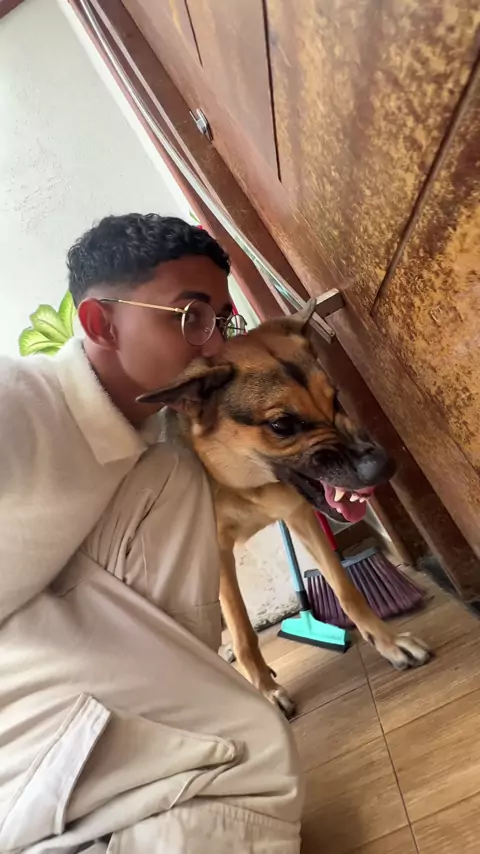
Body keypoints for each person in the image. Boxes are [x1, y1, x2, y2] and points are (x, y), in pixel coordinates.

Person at [0, 215, 303, 853]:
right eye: (190, 317)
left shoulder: (162, 435)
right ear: (100, 325)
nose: (214, 346)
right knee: (247, 750)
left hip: (45, 628)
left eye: (222, 320)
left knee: (241, 744)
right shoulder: (20, 403)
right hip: (17, 667)